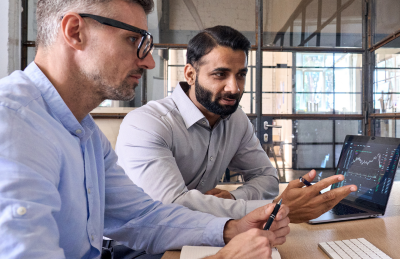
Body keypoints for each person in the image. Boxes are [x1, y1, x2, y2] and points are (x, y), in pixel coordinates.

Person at [0, 0, 290, 259]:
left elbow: (141, 217)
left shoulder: (83, 131)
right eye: (133, 40)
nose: (149, 61)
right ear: (74, 31)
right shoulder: (12, 125)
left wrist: (230, 228)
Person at [116, 26, 358, 222]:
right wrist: (275, 208)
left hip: (202, 234)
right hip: (137, 247)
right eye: (220, 75)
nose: (235, 88)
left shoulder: (235, 118)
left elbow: (267, 178)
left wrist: (233, 199)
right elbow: (171, 206)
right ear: (190, 74)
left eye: (241, 74)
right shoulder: (147, 124)